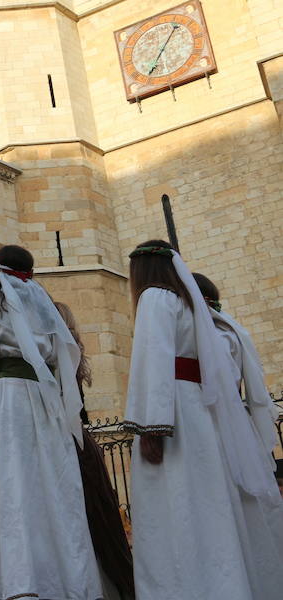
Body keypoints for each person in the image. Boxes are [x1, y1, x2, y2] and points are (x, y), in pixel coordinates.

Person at [123, 241, 280, 599]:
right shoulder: (197, 310)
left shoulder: (155, 299)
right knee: (210, 504)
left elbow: (153, 361)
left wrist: (151, 428)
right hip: (201, 415)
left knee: (175, 504)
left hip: (173, 414)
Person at [0, 245, 102, 600]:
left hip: (9, 401)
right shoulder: (43, 306)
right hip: (45, 401)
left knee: (15, 483)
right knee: (51, 485)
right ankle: (67, 578)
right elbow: (63, 356)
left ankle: (20, 580)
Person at [193, 272, 283, 598]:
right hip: (229, 426)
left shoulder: (220, 336)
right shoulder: (227, 331)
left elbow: (220, 382)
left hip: (226, 427)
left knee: (242, 501)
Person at [54, 302, 135, 600]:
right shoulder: (72, 354)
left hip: (71, 442)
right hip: (81, 442)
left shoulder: (60, 357)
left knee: (87, 515)